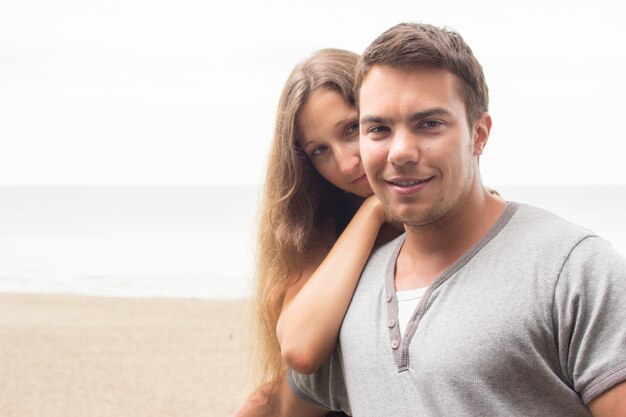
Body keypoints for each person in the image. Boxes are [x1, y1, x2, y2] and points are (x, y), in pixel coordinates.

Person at [287, 23, 626, 416]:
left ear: (479, 134)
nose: (400, 152)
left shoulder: (572, 269)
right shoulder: (350, 292)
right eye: (378, 128)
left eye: (429, 123)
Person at [233, 48, 401, 417]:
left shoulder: (442, 218)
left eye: (351, 129)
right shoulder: (319, 221)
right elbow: (301, 350)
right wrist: (372, 212)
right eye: (320, 150)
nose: (345, 163)